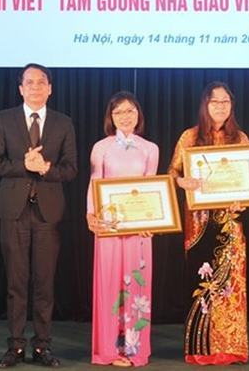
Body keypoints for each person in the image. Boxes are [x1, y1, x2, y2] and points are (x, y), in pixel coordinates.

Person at [0, 63, 78, 368]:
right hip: (13, 212)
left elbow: (71, 169)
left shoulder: (63, 122)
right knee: (16, 283)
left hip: (47, 214)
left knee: (44, 284)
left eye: (41, 82)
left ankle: (42, 346)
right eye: (29, 82)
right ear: (20, 89)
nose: (35, 87)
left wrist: (46, 168)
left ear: (50, 88)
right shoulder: (4, 119)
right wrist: (24, 165)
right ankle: (15, 346)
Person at [168, 81, 249, 365]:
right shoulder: (190, 137)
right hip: (199, 221)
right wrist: (182, 181)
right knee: (202, 282)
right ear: (205, 105)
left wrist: (244, 200)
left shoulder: (240, 138)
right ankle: (201, 348)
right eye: (215, 101)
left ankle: (231, 346)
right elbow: (172, 172)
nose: (220, 106)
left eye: (226, 101)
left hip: (230, 221)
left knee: (231, 282)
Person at [86, 91, 159, 367]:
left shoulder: (150, 148)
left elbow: (152, 187)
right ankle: (108, 350)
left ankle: (133, 350)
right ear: (111, 117)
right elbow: (95, 182)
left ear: (138, 114)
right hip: (109, 226)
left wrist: (152, 222)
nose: (125, 116)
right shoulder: (101, 147)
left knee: (136, 285)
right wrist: (90, 215)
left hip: (139, 228)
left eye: (130, 111)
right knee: (108, 285)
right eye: (118, 112)